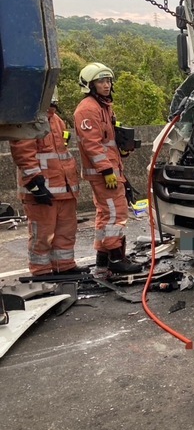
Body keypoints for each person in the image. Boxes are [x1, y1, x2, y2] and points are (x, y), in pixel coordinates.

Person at [74, 63, 142, 278]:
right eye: (101, 81)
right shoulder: (87, 109)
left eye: (108, 80)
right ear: (90, 85)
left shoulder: (104, 107)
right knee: (116, 214)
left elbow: (107, 142)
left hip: (112, 170)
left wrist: (122, 151)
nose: (106, 84)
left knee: (105, 216)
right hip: (105, 175)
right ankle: (116, 259)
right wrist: (106, 170)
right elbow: (91, 144)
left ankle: (103, 260)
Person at [9, 90, 86, 276]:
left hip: (64, 190)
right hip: (42, 190)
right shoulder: (28, 122)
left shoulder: (57, 121)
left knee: (66, 231)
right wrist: (35, 184)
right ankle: (41, 271)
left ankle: (64, 265)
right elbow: (23, 154)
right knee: (42, 234)